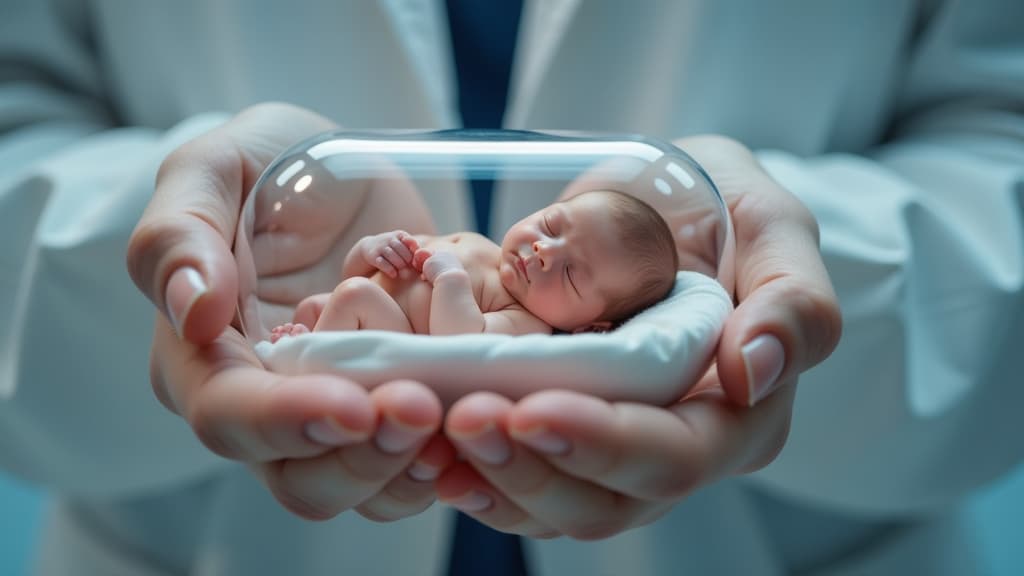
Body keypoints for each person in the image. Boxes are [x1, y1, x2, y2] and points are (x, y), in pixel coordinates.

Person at [0, 1, 1021, 575]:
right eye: (550, 226)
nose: (532, 248)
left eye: (567, 270)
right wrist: (200, 244)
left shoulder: (518, 324)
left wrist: (803, 281)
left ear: (606, 322)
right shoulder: (498, 272)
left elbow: (999, 134)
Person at [270, 190, 679, 341]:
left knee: (353, 296)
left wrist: (451, 280)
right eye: (551, 225)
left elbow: (462, 339)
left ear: (589, 326)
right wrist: (370, 250)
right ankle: (306, 343)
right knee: (320, 302)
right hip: (362, 309)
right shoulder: (482, 245)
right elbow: (359, 273)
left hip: (398, 339)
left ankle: (312, 362)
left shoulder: (526, 321)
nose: (543, 250)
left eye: (571, 273)